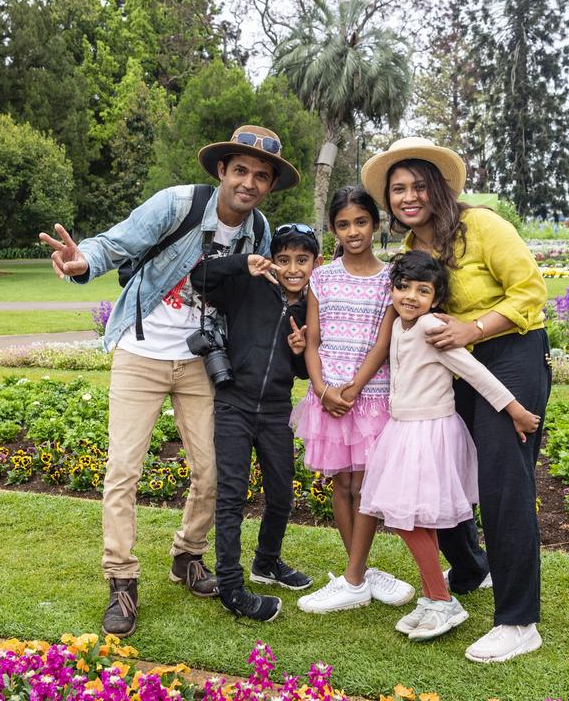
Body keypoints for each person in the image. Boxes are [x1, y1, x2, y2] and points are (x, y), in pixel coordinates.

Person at [38, 125, 299, 637]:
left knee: (214, 471)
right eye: (240, 170)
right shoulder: (177, 204)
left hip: (204, 362)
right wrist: (81, 261)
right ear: (222, 170)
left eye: (261, 176)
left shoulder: (259, 231)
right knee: (124, 472)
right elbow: (115, 243)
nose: (249, 183)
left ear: (269, 186)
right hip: (141, 353)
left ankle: (187, 556)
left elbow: (256, 297)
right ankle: (121, 579)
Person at [360, 137, 550, 663]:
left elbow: (530, 291)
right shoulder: (411, 256)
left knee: (503, 484)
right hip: (451, 366)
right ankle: (470, 570)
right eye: (398, 189)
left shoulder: (483, 226)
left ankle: (518, 621)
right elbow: (398, 324)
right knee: (442, 474)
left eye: (418, 185)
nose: (408, 196)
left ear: (438, 188)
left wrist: (474, 327)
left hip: (509, 351)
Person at [292, 186, 415, 614]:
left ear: (375, 224)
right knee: (340, 484)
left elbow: (382, 344)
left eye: (361, 222)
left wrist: (353, 389)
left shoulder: (389, 279)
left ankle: (354, 577)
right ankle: (357, 573)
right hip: (326, 394)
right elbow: (313, 342)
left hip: (371, 396)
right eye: (343, 224)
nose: (353, 231)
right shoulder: (322, 278)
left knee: (366, 486)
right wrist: (324, 390)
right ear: (333, 229)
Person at [189, 225, 319, 621]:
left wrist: (299, 353)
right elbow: (200, 278)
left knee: (282, 496)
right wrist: (242, 264)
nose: (292, 269)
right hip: (234, 405)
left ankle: (266, 562)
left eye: (302, 261)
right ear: (271, 260)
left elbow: (299, 371)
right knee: (231, 497)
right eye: (283, 260)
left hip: (277, 409)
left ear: (315, 263)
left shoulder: (311, 307)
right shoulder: (249, 286)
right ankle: (230, 585)